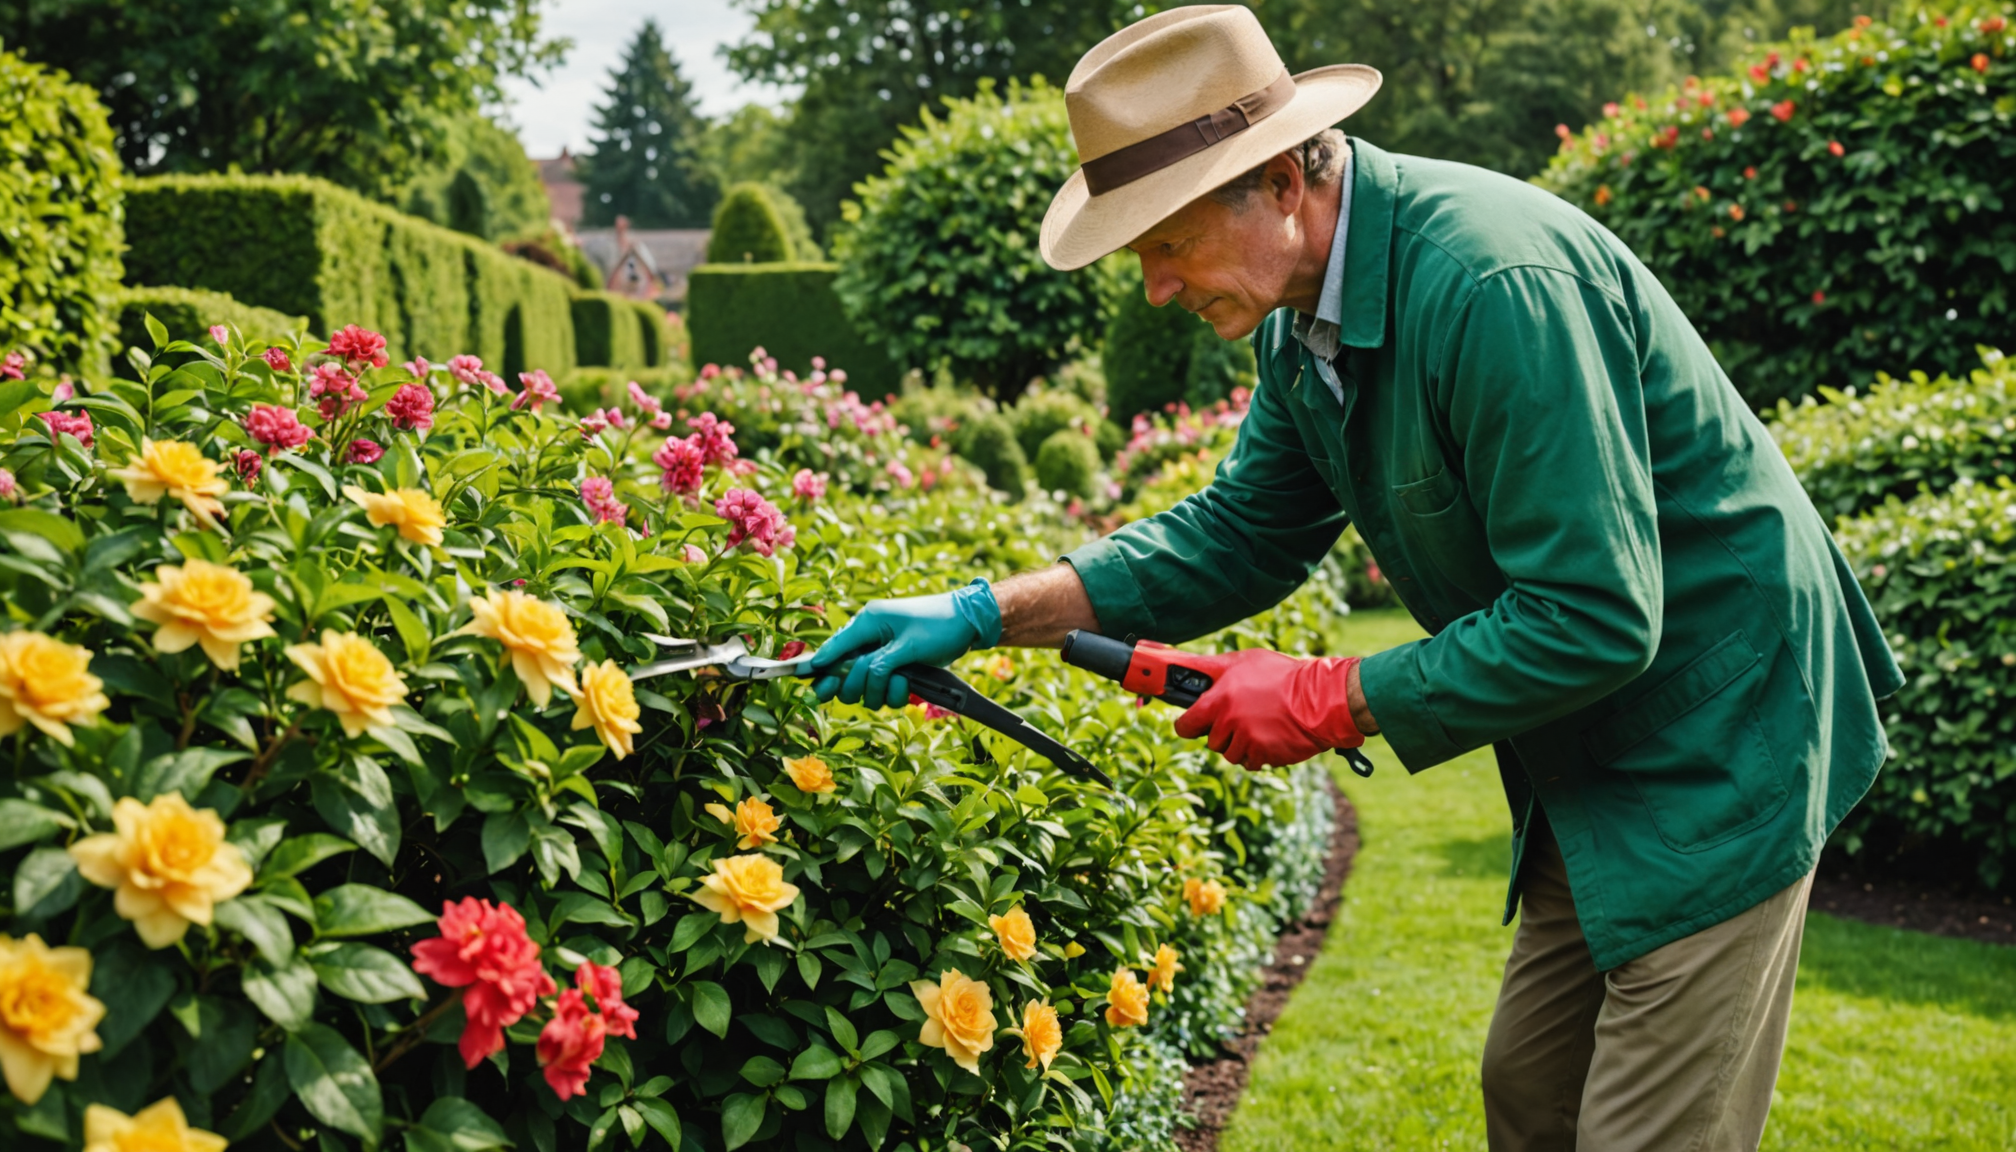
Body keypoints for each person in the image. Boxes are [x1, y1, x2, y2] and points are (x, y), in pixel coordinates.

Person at [808, 7, 1903, 1150]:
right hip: (1598, 746)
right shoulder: (1302, 327)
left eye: (1166, 243)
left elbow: (1595, 614)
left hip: (1725, 731)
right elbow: (1238, 532)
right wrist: (982, 613)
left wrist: (1331, 696)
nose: (1156, 291)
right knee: (1532, 1098)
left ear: (1280, 181)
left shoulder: (1492, 285)